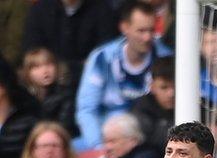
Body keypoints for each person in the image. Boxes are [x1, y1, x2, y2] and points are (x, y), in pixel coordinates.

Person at [75, 1, 172, 150]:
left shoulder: (167, 59)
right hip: (105, 138)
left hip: (149, 142)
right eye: (141, 31)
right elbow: (87, 109)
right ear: (124, 27)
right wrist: (99, 146)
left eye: (151, 31)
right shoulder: (102, 58)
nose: (147, 37)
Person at [18, 48, 77, 134]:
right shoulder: (24, 98)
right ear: (28, 72)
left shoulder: (66, 95)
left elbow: (64, 126)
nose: (45, 71)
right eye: (37, 67)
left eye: (49, 64)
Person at [131, 56, 175, 150]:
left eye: (175, 87)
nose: (171, 94)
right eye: (164, 87)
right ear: (152, 87)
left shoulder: (199, 106)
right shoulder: (142, 109)